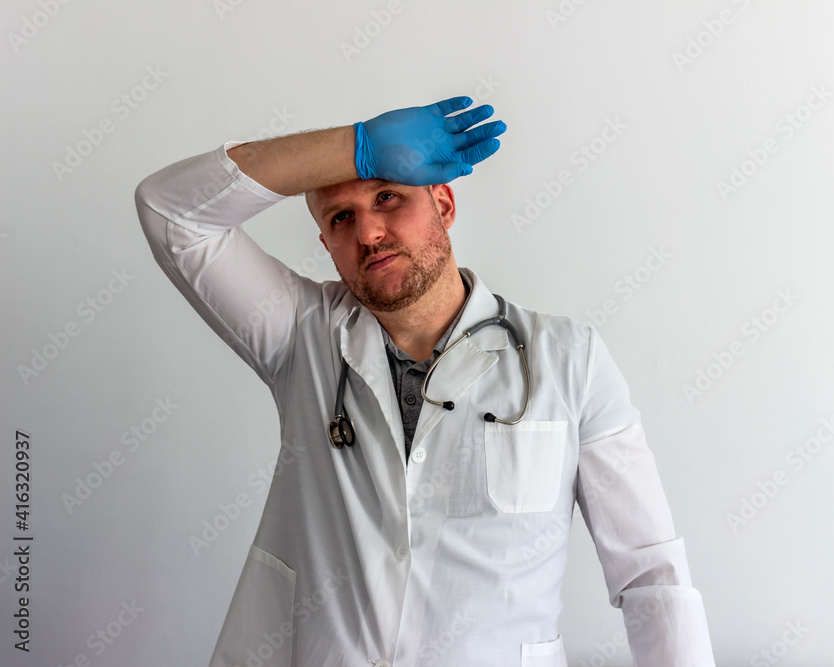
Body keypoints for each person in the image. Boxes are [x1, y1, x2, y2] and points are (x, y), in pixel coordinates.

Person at [135, 95, 715, 667]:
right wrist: (356, 145)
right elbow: (171, 212)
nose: (369, 233)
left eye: (388, 197)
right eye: (342, 217)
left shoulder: (569, 359)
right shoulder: (298, 335)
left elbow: (650, 574)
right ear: (325, 244)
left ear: (444, 202)